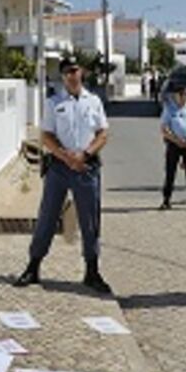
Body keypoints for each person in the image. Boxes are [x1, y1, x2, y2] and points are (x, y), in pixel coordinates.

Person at [14, 56, 111, 293]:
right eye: (67, 72)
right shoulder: (54, 102)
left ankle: (92, 270)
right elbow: (46, 135)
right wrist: (66, 156)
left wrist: (85, 155)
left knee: (90, 221)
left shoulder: (94, 101)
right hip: (59, 167)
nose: (72, 75)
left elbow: (103, 134)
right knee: (47, 217)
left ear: (82, 73)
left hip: (86, 168)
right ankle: (33, 266)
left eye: (75, 71)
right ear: (63, 76)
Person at [159, 83, 186, 210]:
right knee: (170, 172)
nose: (184, 97)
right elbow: (164, 128)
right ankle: (166, 200)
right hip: (173, 143)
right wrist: (176, 140)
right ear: (176, 96)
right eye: (182, 95)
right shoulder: (169, 109)